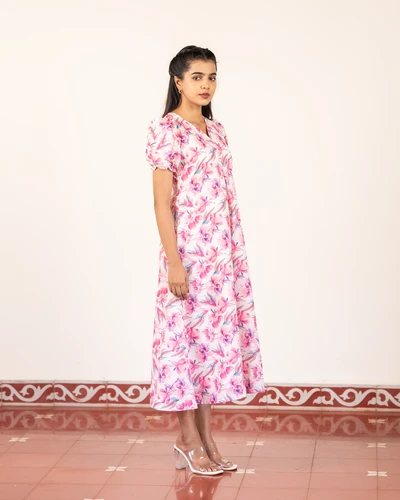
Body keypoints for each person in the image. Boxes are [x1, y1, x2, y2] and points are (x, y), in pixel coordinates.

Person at [145, 45, 265, 475]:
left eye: (211, 76)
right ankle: (187, 440)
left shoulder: (217, 131)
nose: (206, 84)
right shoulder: (167, 130)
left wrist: (229, 258)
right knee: (182, 344)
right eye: (197, 77)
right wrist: (175, 262)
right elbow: (162, 204)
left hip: (221, 259)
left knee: (209, 348)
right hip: (188, 256)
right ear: (178, 81)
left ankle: (207, 439)